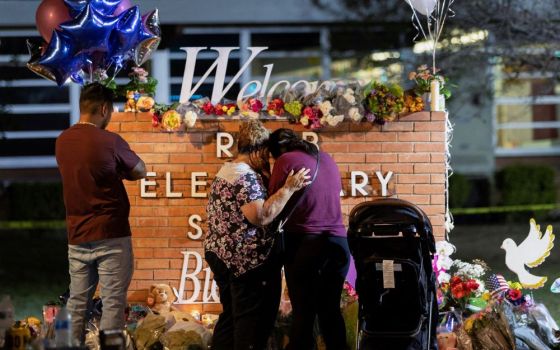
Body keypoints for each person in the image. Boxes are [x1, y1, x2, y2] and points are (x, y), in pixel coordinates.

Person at [205, 120, 310, 350]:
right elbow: (261, 216)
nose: (268, 158)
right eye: (266, 153)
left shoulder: (227, 170)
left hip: (222, 255)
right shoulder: (245, 177)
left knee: (230, 318)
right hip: (245, 262)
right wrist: (288, 188)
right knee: (249, 325)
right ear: (257, 149)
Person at [55, 83, 146, 343]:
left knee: (76, 302)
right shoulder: (110, 141)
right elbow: (140, 170)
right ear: (104, 108)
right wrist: (119, 171)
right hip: (111, 234)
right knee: (113, 304)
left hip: (77, 235)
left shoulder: (61, 141)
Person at [268, 128, 350, 350]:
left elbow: (273, 204)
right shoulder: (326, 158)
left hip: (306, 243)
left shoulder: (285, 160)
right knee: (330, 310)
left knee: (304, 311)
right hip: (338, 243)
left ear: (277, 150)